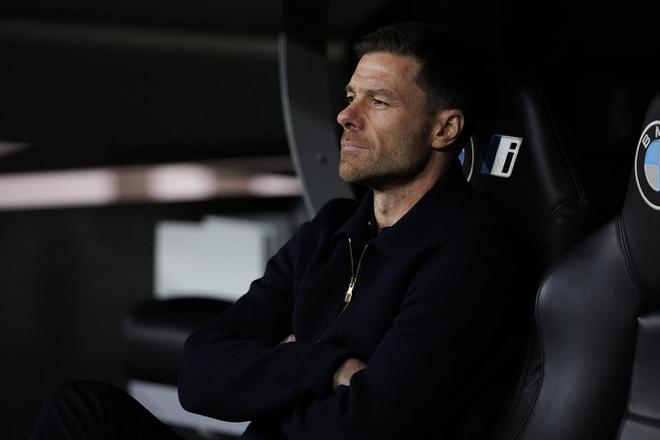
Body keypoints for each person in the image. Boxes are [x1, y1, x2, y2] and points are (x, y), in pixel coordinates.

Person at [31, 22, 526, 440]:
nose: (345, 116)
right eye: (350, 97)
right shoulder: (330, 230)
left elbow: (370, 424)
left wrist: (270, 376)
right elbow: (199, 372)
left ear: (444, 129)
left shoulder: (470, 255)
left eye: (378, 101)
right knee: (81, 408)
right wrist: (326, 369)